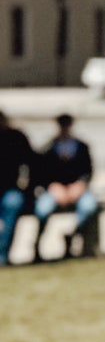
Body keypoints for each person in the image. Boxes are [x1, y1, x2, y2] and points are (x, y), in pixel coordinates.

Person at [31, 114, 98, 261]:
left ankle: (72, 235)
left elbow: (88, 171)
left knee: (88, 207)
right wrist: (52, 186)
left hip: (77, 188)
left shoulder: (81, 147)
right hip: (54, 189)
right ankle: (37, 245)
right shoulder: (48, 148)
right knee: (42, 209)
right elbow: (39, 173)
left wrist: (80, 184)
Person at [0, 110, 33, 265]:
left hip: (10, 189)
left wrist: (28, 188)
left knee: (13, 203)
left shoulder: (16, 138)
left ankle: (2, 255)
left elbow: (32, 163)